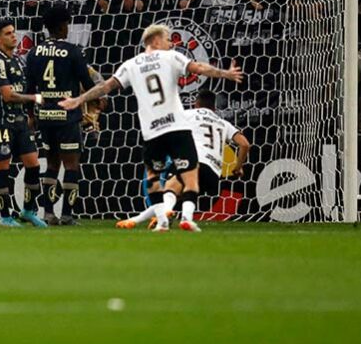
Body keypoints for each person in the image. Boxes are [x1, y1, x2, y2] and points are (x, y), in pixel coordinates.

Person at [58, 24, 243, 232]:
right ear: (155, 40)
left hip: (152, 132)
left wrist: (79, 99)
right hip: (177, 128)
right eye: (167, 39)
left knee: (154, 179)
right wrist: (225, 74)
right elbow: (199, 68)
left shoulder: (131, 64)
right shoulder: (171, 57)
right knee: (190, 177)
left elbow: (105, 87)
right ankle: (188, 218)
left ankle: (162, 222)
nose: (171, 43)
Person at [117, 90, 251, 230]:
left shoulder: (187, 114)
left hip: (192, 159)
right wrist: (237, 167)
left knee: (170, 188)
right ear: (214, 108)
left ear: (195, 104)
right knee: (179, 194)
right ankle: (139, 220)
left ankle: (173, 216)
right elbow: (245, 144)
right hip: (212, 172)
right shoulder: (224, 123)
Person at [26, 6, 94, 226]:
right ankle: (67, 214)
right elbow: (87, 83)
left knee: (52, 164)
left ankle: (47, 213)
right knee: (71, 165)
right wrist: (98, 100)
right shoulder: (73, 51)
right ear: (63, 25)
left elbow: (29, 89)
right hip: (68, 116)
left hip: (45, 116)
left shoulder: (34, 52)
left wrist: (31, 115)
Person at [0, 20, 47, 228]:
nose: (14, 36)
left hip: (20, 123)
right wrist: (34, 99)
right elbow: (8, 95)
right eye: (8, 33)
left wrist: (30, 114)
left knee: (33, 165)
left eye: (14, 32)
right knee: (3, 168)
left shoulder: (18, 60)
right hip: (1, 123)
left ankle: (28, 210)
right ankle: (5, 216)